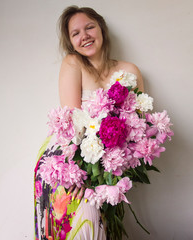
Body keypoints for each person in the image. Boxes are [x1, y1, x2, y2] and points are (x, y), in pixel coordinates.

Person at [34, 5, 144, 240]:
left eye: (89, 27)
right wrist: (80, 173)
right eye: (75, 33)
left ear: (101, 29)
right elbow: (72, 124)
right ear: (71, 42)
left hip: (108, 169)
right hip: (66, 163)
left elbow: (138, 129)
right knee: (80, 228)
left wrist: (110, 174)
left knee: (99, 229)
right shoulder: (73, 63)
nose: (84, 36)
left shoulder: (129, 71)